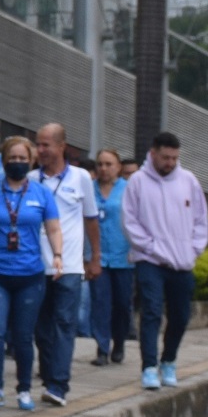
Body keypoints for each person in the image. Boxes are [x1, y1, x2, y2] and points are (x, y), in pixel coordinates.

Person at [0, 134, 63, 411]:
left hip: (30, 275)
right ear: (5, 161)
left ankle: (24, 389)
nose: (18, 163)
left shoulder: (42, 193)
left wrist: (57, 256)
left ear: (31, 161)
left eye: (23, 159)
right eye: (13, 159)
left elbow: (54, 228)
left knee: (23, 335)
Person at [126, 133, 208, 390]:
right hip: (150, 261)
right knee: (151, 313)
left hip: (182, 263)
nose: (170, 162)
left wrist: (193, 250)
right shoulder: (138, 182)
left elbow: (200, 219)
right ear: (153, 154)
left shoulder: (189, 181)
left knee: (181, 316)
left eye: (174, 158)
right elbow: (130, 221)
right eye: (165, 157)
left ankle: (169, 360)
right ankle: (149, 366)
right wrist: (151, 247)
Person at [29, 121, 103, 405]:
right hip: (37, 265)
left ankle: (59, 384)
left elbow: (91, 219)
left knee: (64, 323)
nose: (41, 150)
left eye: (46, 144)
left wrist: (95, 257)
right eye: (39, 144)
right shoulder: (32, 180)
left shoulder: (81, 177)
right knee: (41, 327)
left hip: (70, 265)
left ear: (62, 146)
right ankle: (49, 377)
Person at [91, 148, 135, 363]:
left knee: (122, 304)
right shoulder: (89, 189)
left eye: (109, 164)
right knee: (100, 302)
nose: (104, 168)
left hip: (123, 256)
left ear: (118, 167)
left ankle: (119, 342)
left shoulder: (128, 189)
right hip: (97, 256)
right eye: (100, 164)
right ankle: (101, 347)